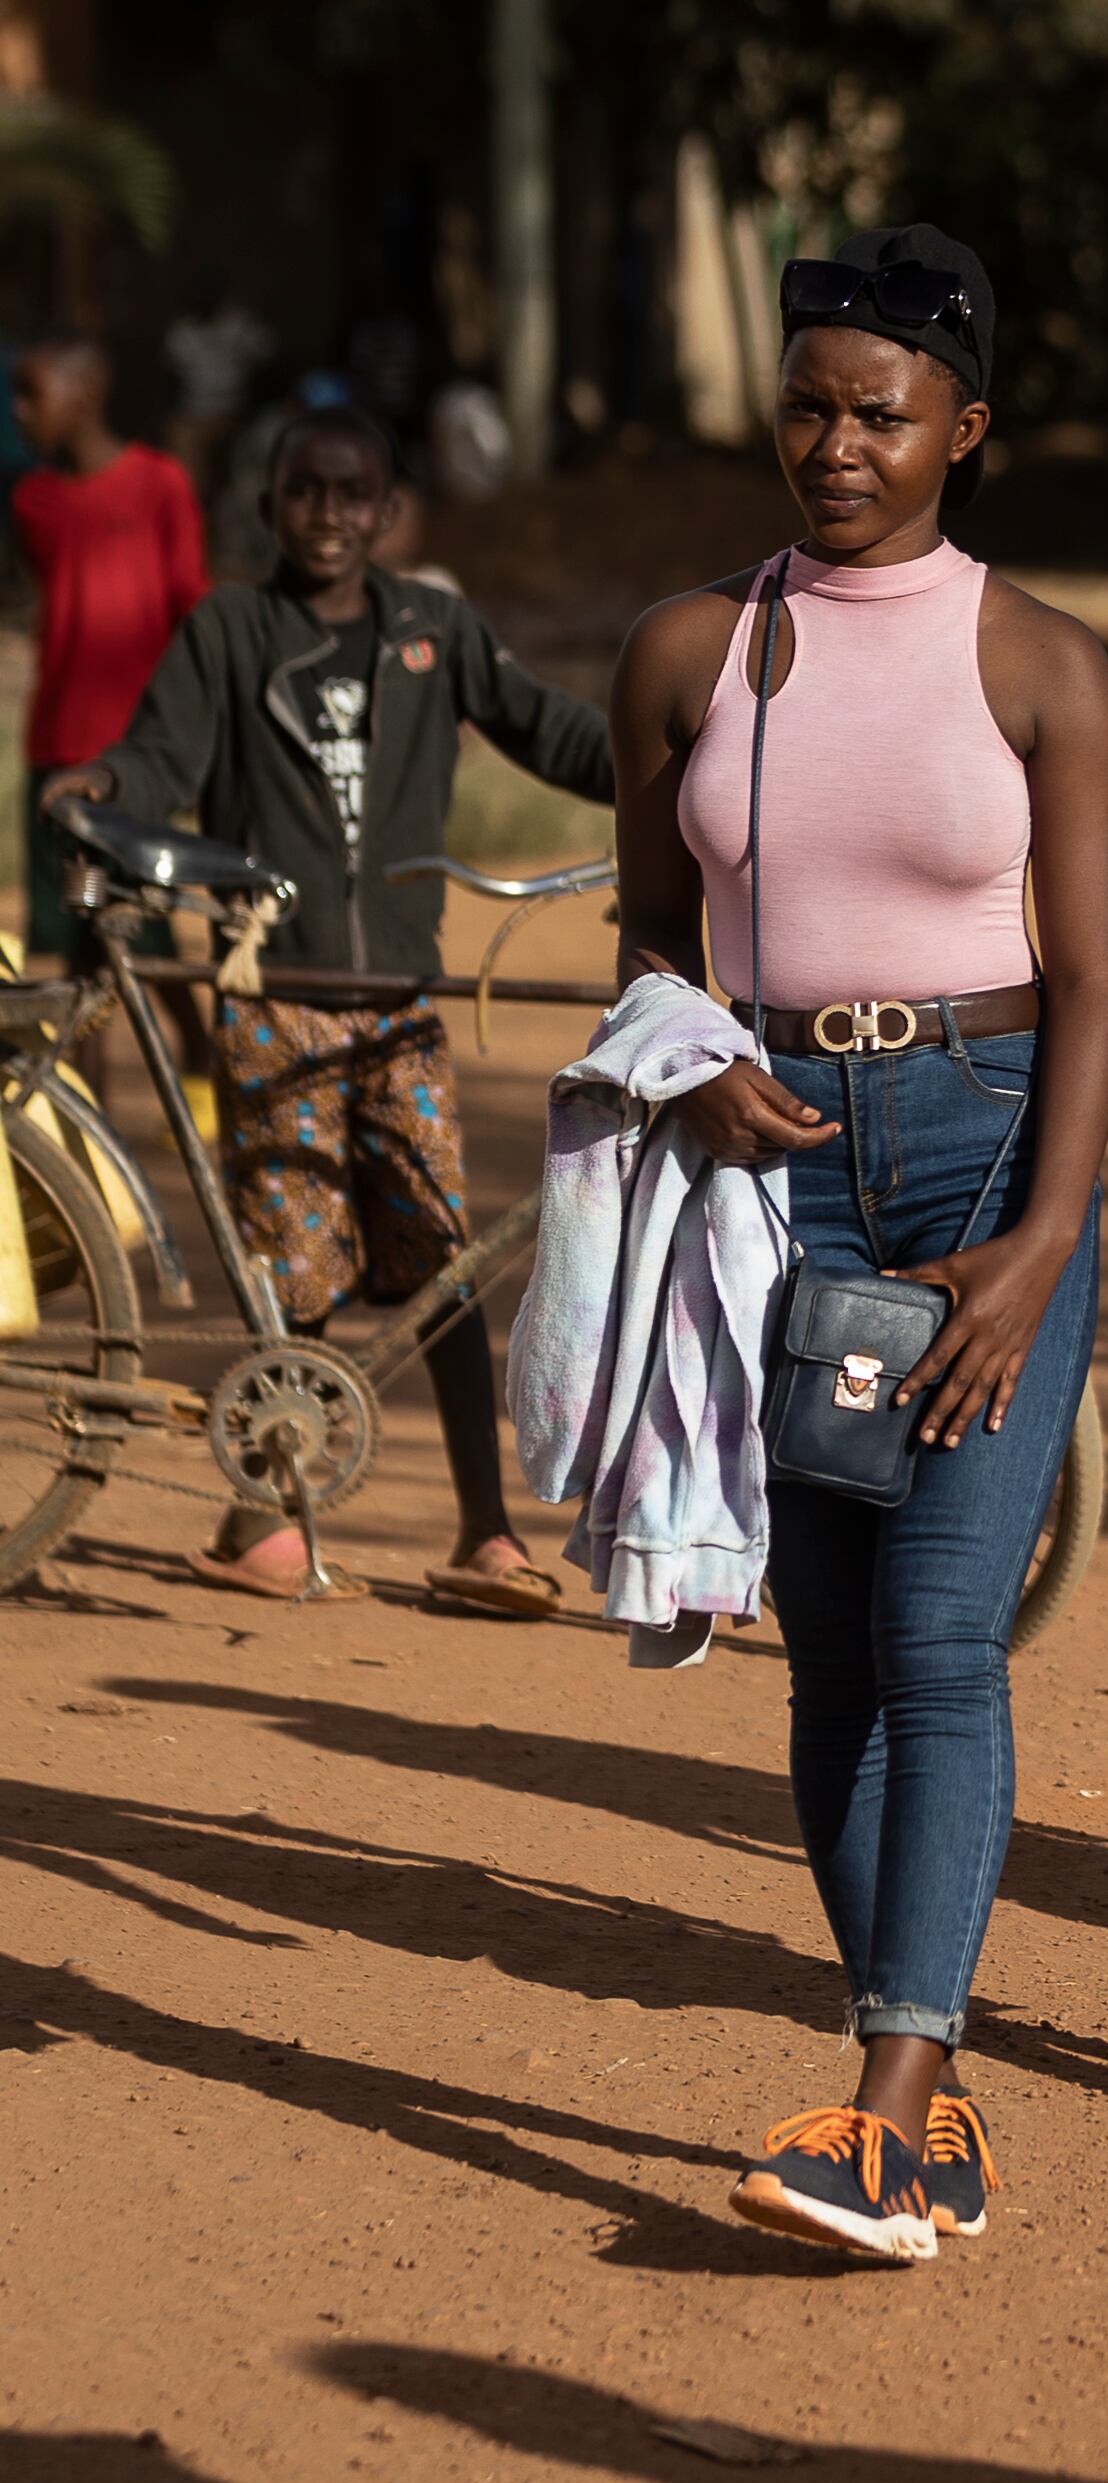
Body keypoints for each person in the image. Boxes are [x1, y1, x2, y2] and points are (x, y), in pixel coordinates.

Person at [605, 223, 1108, 2259]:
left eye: (879, 414)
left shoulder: (1041, 663)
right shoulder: (684, 652)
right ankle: (919, 2084)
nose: (834, 446)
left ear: (961, 432)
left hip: (990, 1160)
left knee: (938, 1638)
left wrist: (1041, 1243)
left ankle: (886, 2111)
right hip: (775, 1171)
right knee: (826, 1660)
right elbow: (651, 934)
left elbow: (1094, 983)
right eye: (808, 407)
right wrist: (681, 1062)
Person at [48, 406, 606, 1614]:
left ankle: (483, 1533)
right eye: (307, 491)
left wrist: (679, 760)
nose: (331, 515)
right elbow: (162, 757)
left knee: (440, 1252)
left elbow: (549, 731)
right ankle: (259, 1519)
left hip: (396, 1001)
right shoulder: (233, 629)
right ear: (270, 504)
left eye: (356, 494)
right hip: (276, 997)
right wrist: (108, 780)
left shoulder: (432, 629)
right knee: (289, 1264)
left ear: (389, 508)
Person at [11, 337, 206, 989]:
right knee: (77, 962)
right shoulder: (31, 500)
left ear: (86, 393)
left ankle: (201, 1085)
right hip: (53, 751)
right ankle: (86, 1097)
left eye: (31, 393)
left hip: (131, 761)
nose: (18, 410)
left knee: (143, 948)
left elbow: (192, 612)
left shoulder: (159, 483)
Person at [162, 269, 274, 485]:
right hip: (194, 415)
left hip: (235, 413)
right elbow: (170, 380)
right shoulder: (182, 333)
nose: (204, 300)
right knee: (186, 467)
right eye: (198, 295)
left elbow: (268, 359)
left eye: (209, 294)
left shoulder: (239, 325)